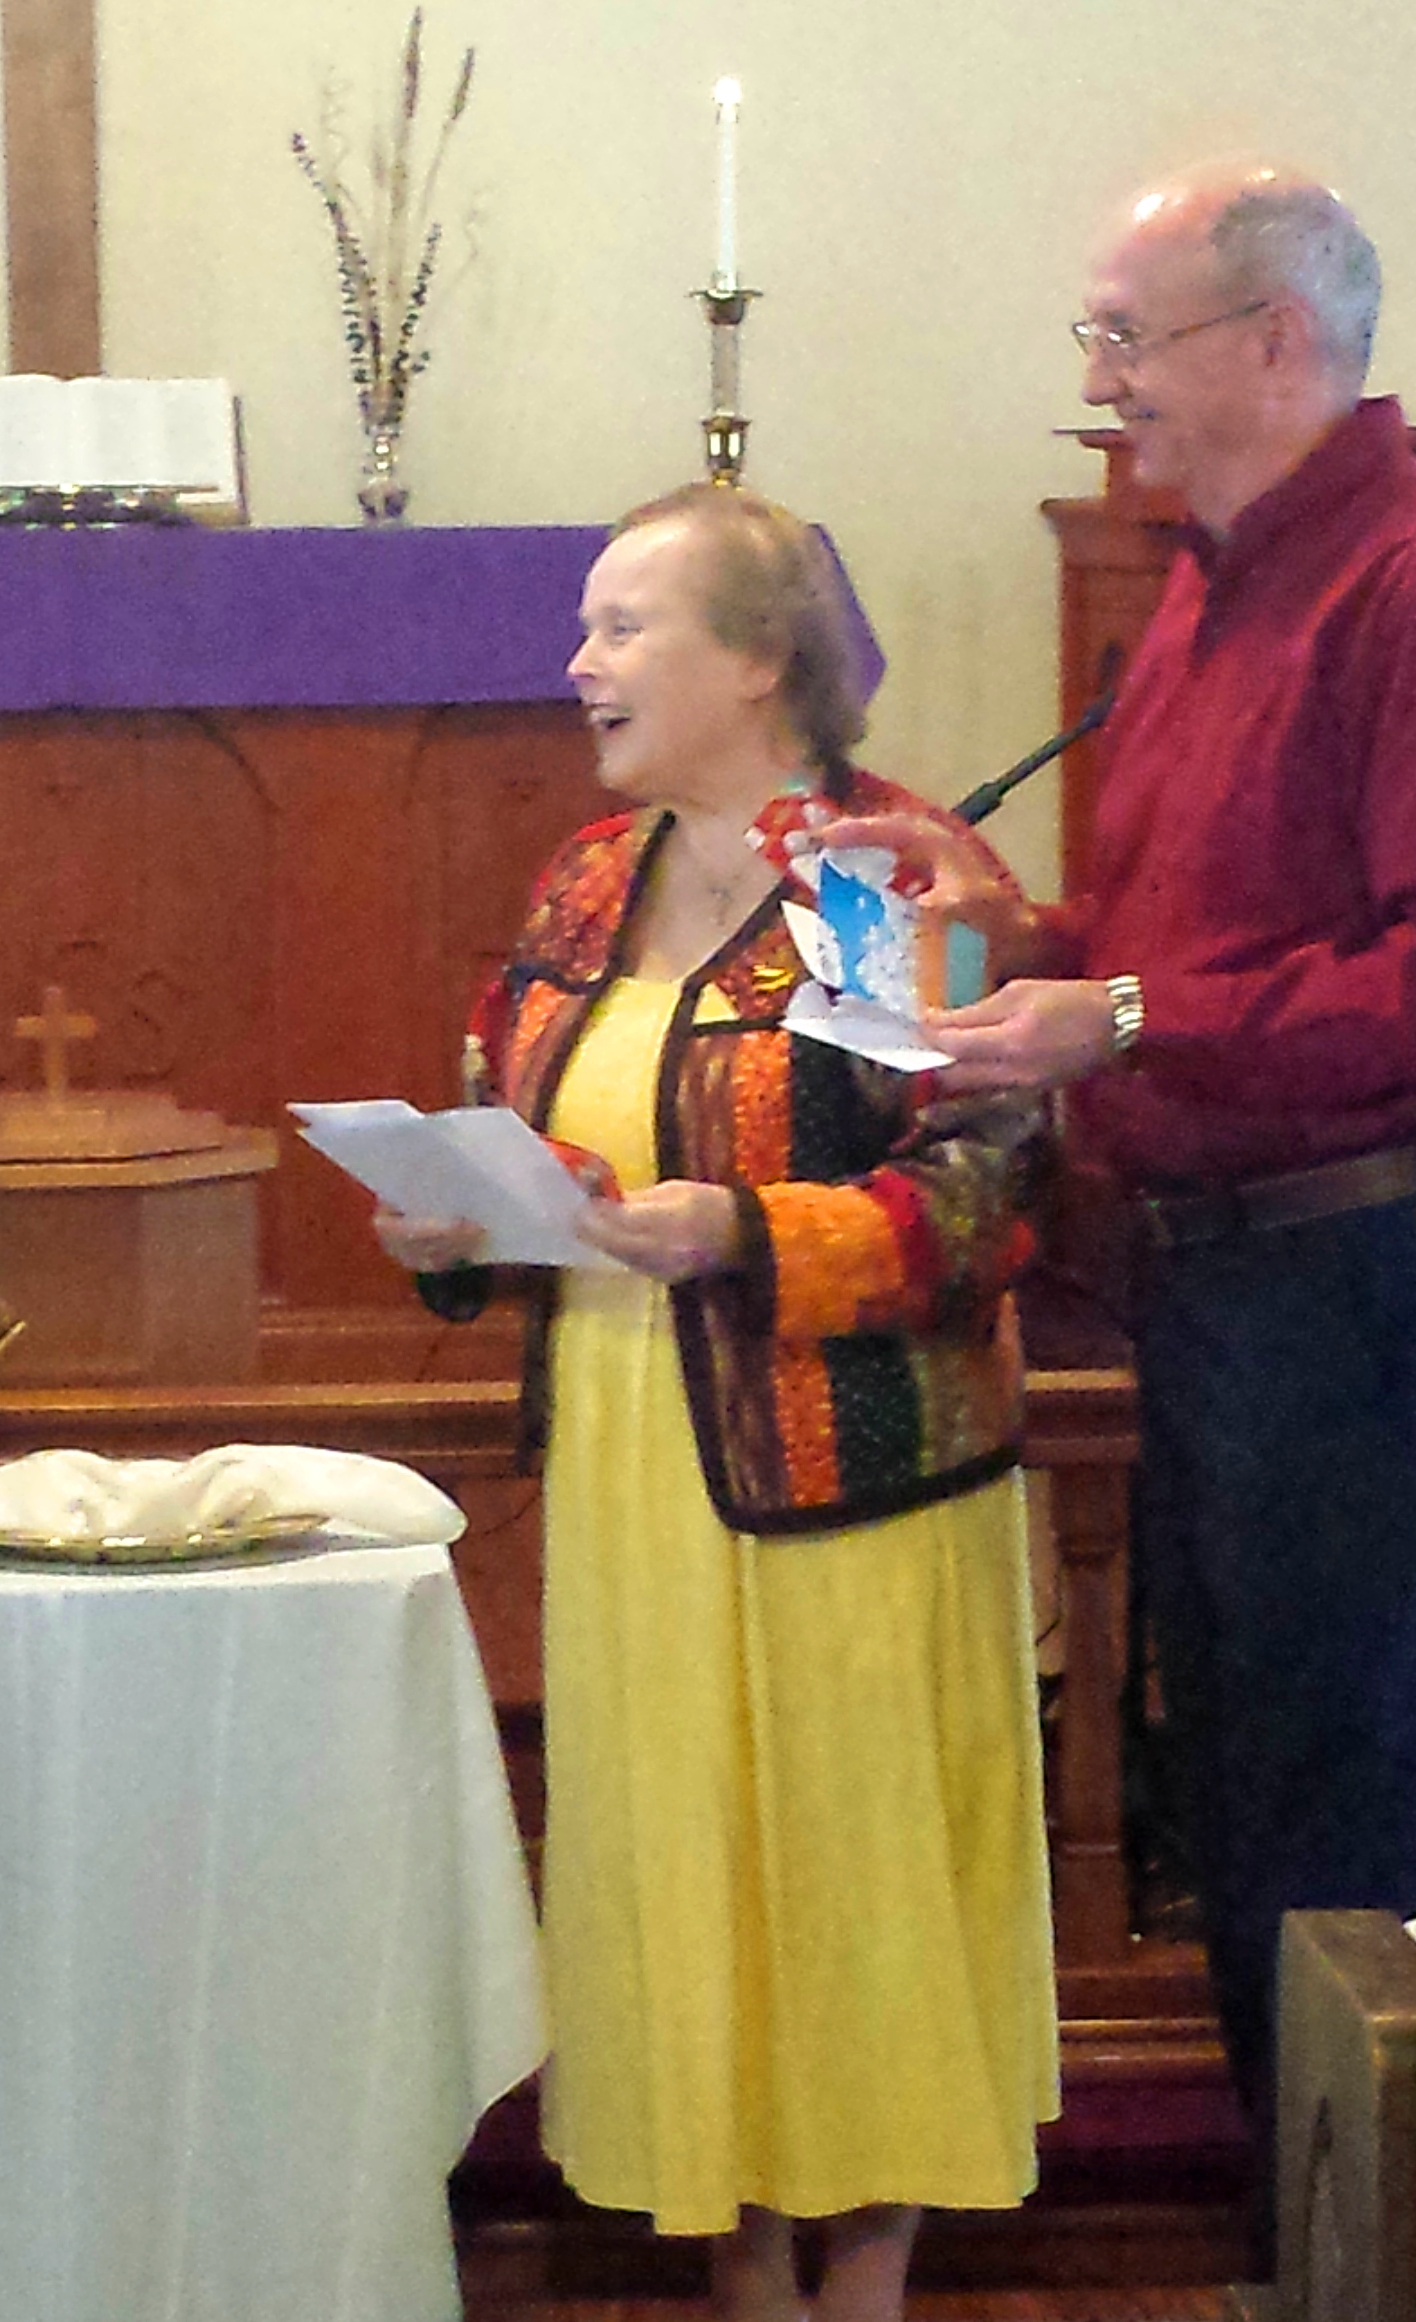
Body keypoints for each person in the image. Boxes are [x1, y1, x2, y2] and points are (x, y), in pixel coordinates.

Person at [832, 162, 1416, 2214]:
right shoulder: (1209, 582)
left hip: (1377, 1288)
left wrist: (1115, 1016)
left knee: (1368, 1859)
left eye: (1126, 337)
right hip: (1233, 1291)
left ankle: (1392, 2260)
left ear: (1277, 340)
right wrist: (1031, 934)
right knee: (1255, 1826)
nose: (1100, 382)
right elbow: (1209, 947)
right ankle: (1308, 2246)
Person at [372, 483, 1058, 2322]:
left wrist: (748, 1231)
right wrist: (460, 1225)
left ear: (759, 660)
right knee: (676, 1862)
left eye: (623, 626)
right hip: (631, 1451)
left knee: (856, 1870)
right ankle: (742, 2271)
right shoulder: (586, 879)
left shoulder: (877, 878)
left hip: (848, 1470)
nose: (578, 663)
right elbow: (522, 1124)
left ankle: (869, 2278)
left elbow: (989, 1191)